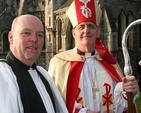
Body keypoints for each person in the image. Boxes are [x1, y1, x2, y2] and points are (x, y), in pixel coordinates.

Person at [48, 0, 139, 113]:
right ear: (73, 33)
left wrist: (128, 93)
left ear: (98, 32)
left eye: (91, 26)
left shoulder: (109, 62)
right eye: (81, 27)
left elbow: (120, 107)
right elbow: (54, 103)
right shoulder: (59, 63)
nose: (86, 30)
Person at [0, 14, 68, 113]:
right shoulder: (3, 74)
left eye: (39, 35)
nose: (34, 39)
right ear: (11, 37)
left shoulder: (44, 75)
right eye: (27, 33)